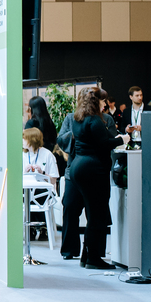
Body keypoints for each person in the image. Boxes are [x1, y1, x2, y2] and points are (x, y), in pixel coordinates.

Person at [61, 88, 128, 269]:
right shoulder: (95, 120)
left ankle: (87, 256)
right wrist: (122, 139)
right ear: (96, 101)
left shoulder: (77, 119)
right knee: (97, 215)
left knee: (93, 214)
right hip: (93, 169)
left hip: (78, 167)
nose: (105, 104)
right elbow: (104, 144)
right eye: (103, 101)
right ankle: (93, 258)